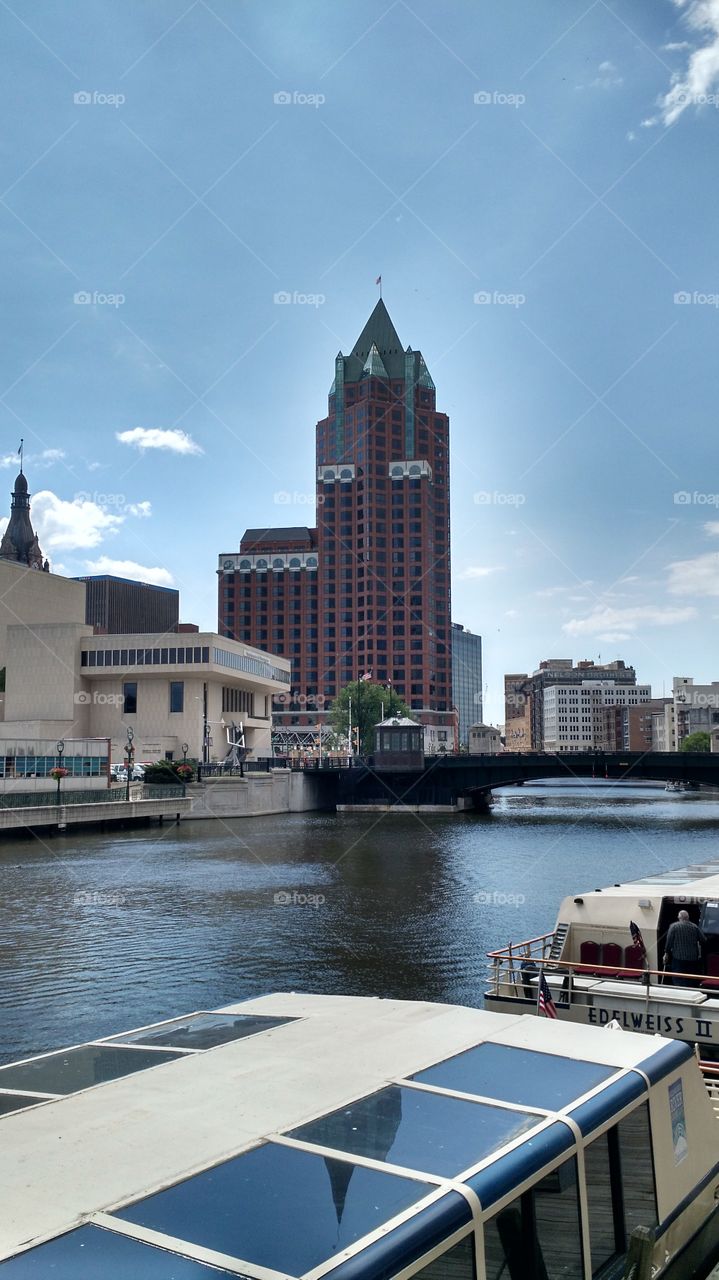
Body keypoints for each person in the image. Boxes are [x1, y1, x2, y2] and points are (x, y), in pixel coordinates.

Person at [664, 910, 705, 986]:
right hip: (692, 958)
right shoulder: (695, 927)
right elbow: (703, 940)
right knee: (690, 978)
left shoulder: (674, 926)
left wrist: (666, 953)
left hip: (678, 957)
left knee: (678, 978)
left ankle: (680, 993)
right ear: (688, 917)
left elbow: (669, 941)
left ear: (679, 917)